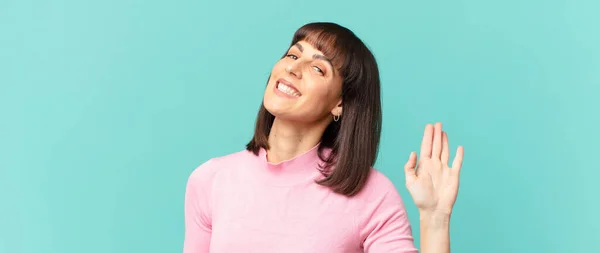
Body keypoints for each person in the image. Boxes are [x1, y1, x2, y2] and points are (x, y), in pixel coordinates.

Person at [183, 22, 464, 253]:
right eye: (293, 55)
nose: (292, 68)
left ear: (340, 103)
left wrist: (435, 219)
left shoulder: (372, 195)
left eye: (318, 68)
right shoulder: (210, 180)